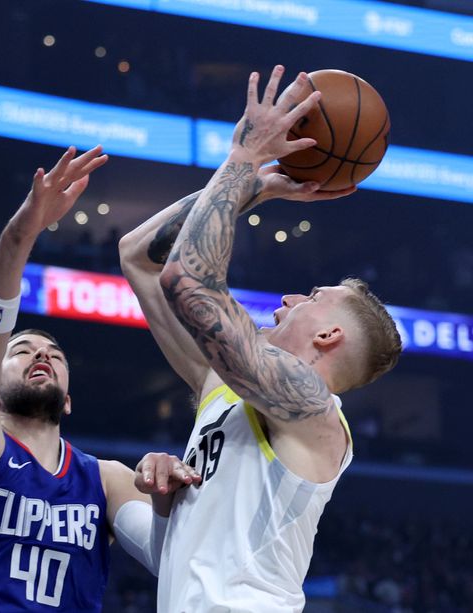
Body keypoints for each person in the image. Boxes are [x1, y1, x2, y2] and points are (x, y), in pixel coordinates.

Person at [120, 66, 402, 612]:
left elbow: (188, 281)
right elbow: (141, 256)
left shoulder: (313, 412)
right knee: (103, 480)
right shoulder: (224, 387)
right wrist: (255, 187)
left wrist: (243, 157)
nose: (289, 299)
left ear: (328, 334)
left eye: (311, 296)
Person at [0, 145, 200, 612]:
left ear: (68, 399)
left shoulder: (105, 479)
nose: (41, 355)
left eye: (54, 354)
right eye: (21, 350)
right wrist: (20, 235)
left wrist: (166, 496)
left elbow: (166, 556)